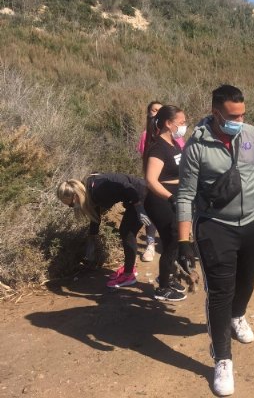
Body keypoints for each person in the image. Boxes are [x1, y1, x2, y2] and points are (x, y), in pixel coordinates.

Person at [175, 84, 254, 396]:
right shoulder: (197, 146)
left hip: (253, 222)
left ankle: (238, 315)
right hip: (216, 227)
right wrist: (184, 240)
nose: (240, 119)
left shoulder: (251, 134)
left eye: (243, 114)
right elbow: (185, 194)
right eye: (233, 115)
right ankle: (222, 359)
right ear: (217, 113)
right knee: (220, 293)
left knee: (248, 281)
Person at [56, 174, 152, 288]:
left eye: (71, 204)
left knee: (127, 233)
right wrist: (92, 236)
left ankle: (128, 274)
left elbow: (124, 183)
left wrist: (138, 206)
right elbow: (95, 217)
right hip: (135, 196)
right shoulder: (90, 192)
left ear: (76, 196)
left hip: (142, 194)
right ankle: (129, 268)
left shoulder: (97, 189)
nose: (71, 207)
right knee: (126, 232)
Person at [143, 105, 188, 302]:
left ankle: (167, 277)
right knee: (171, 240)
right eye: (181, 122)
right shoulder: (158, 148)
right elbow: (151, 180)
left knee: (176, 240)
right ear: (169, 124)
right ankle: (162, 288)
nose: (184, 125)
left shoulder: (174, 143)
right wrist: (171, 198)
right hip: (161, 200)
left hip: (174, 196)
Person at [137, 101, 162, 262]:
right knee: (151, 213)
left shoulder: (173, 134)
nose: (157, 113)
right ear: (148, 113)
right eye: (154, 110)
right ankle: (150, 244)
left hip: (171, 181)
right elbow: (143, 158)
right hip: (152, 180)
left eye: (160, 110)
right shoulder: (146, 135)